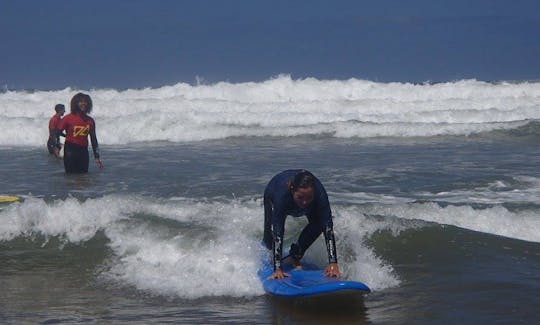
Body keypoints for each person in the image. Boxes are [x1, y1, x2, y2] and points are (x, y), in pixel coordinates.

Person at [263, 169, 340, 279]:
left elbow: (327, 226)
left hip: (303, 196)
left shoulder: (319, 193)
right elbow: (278, 231)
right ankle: (269, 256)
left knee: (319, 223)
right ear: (291, 189)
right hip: (272, 192)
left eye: (309, 198)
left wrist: (333, 262)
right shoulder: (281, 196)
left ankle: (295, 255)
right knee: (269, 239)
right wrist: (278, 268)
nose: (304, 202)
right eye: (300, 197)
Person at [52, 93, 103, 173]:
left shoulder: (90, 121)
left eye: (85, 101)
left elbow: (93, 139)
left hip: (83, 151)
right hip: (70, 151)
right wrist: (57, 146)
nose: (83, 103)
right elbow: (56, 133)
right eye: (80, 101)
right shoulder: (68, 118)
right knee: (70, 177)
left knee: (84, 177)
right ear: (75, 103)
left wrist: (97, 156)